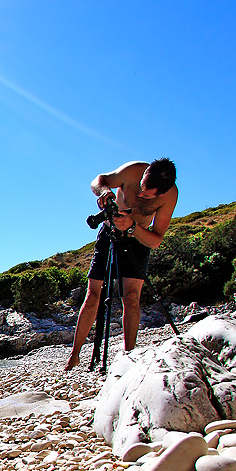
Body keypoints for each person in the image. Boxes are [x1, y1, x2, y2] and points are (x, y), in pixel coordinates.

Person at [64, 158, 178, 371]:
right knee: (93, 295)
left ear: (162, 193)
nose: (141, 195)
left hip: (138, 239)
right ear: (144, 174)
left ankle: (129, 356)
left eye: (147, 195)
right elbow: (98, 181)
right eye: (141, 189)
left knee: (132, 297)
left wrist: (132, 227)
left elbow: (156, 240)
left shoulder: (170, 196)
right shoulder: (132, 171)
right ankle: (74, 355)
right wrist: (104, 192)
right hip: (109, 233)